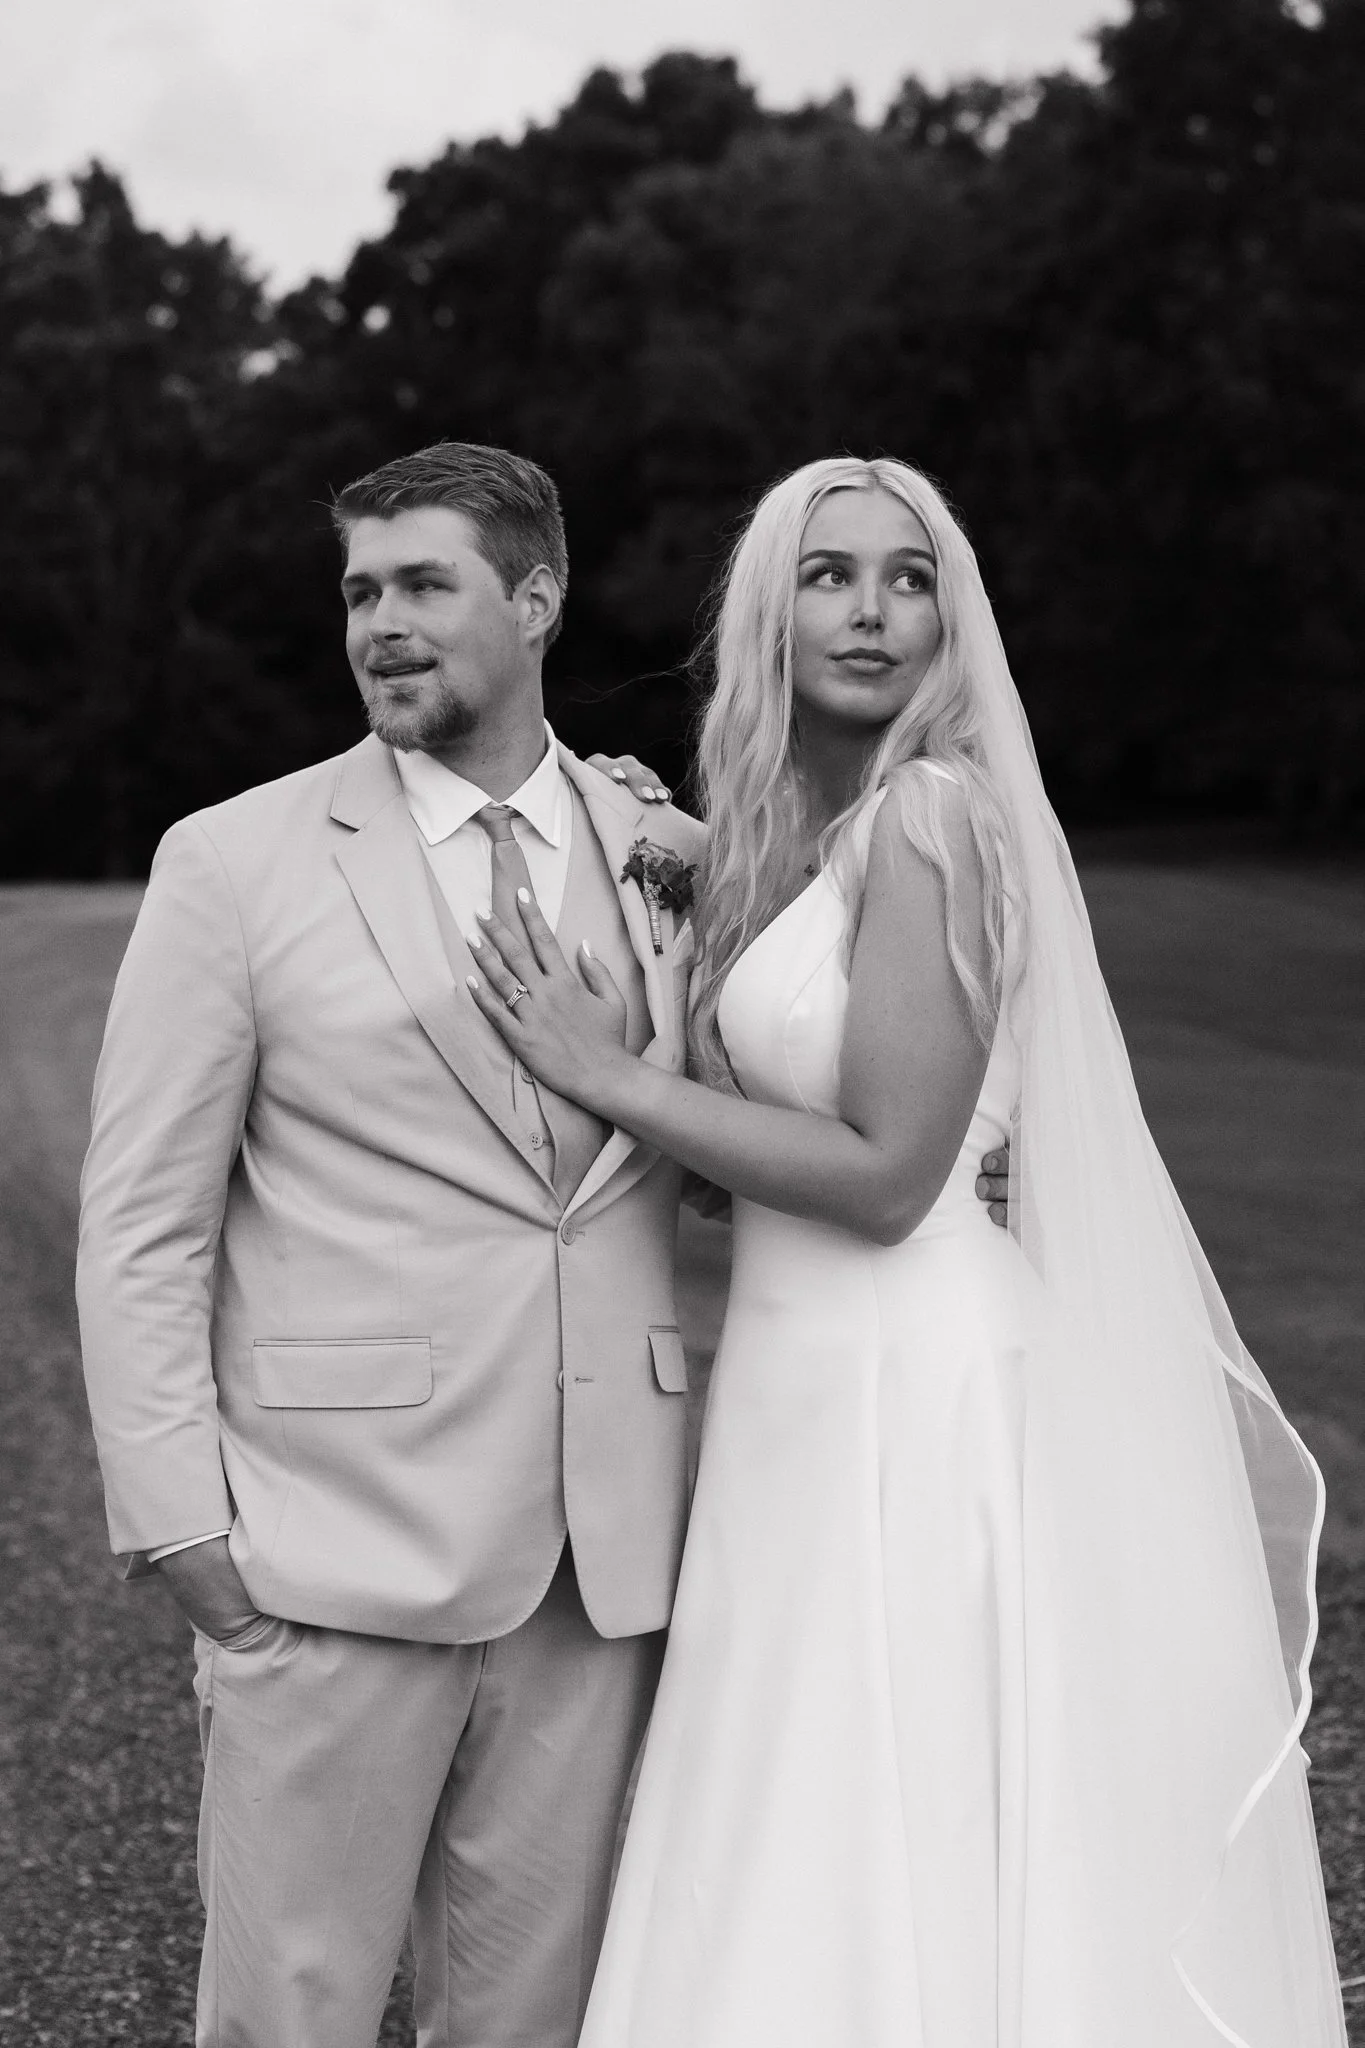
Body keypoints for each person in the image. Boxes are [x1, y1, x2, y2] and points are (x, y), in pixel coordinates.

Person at [469, 455, 1347, 2046]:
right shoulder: (824, 834)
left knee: (903, 1806)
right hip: (802, 1391)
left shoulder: (935, 817)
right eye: (827, 573)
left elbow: (882, 1178)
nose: (870, 610)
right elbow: (758, 1175)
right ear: (770, 610)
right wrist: (665, 857)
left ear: (954, 614)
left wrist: (607, 1075)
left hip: (915, 1395)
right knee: (807, 1796)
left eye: (908, 574)